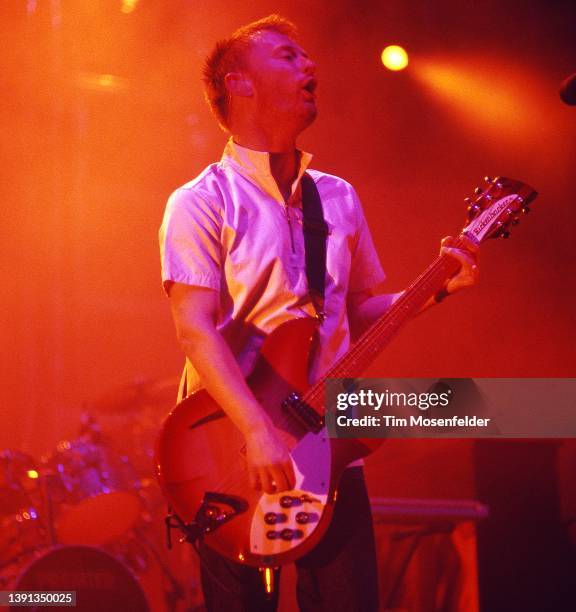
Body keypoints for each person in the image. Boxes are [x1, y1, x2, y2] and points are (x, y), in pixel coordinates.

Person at [159, 14, 478, 611]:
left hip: (326, 439)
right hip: (230, 449)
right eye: (288, 56)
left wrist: (437, 287)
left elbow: (358, 313)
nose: (311, 66)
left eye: (307, 57)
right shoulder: (200, 201)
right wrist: (256, 430)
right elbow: (193, 326)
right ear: (240, 83)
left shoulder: (338, 197)